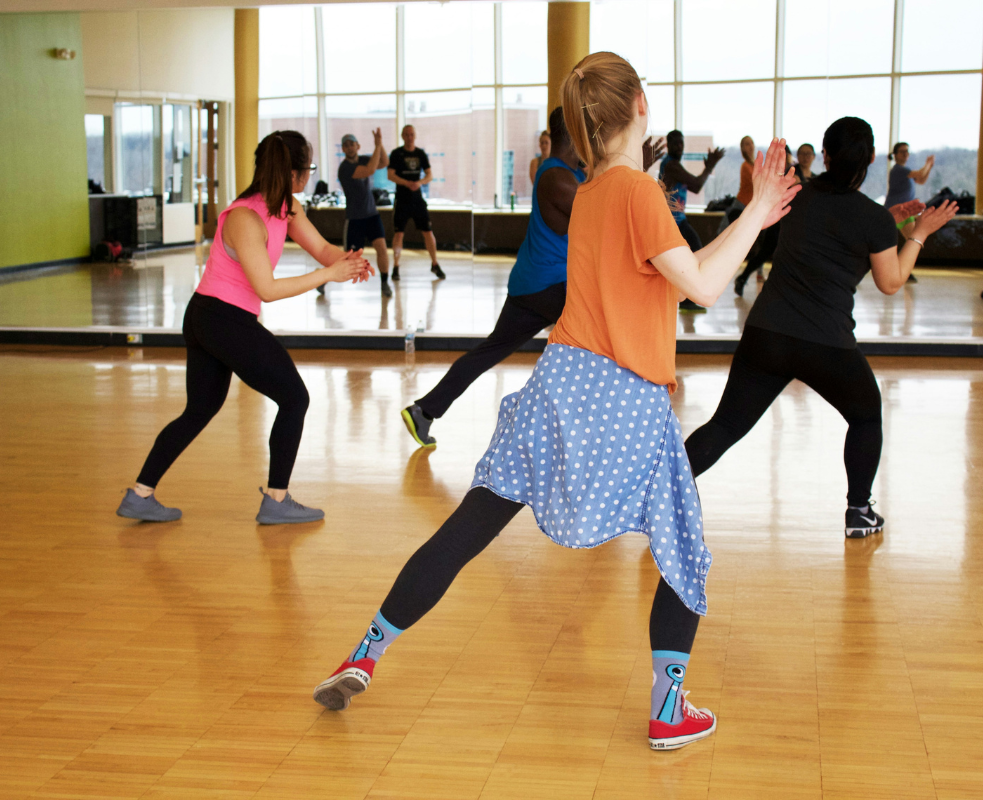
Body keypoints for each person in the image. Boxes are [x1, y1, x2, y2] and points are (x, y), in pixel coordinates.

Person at [313, 52, 798, 752]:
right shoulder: (637, 192)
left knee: (469, 527)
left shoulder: (595, 190)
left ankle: (365, 652)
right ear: (639, 106)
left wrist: (752, 215)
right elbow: (703, 288)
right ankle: (669, 708)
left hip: (558, 381)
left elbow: (682, 271)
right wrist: (755, 210)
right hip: (625, 395)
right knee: (683, 548)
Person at [684, 117, 957, 539]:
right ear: (870, 159)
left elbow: (828, 220)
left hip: (767, 333)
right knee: (866, 415)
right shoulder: (872, 219)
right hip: (825, 343)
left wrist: (887, 220)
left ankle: (661, 494)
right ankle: (859, 511)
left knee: (725, 425)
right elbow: (891, 282)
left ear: (824, 156)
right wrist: (918, 232)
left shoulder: (797, 195)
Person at [116, 131, 374, 524]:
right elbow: (267, 290)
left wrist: (348, 261)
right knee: (294, 399)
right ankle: (276, 499)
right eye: (307, 168)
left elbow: (323, 249)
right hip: (220, 319)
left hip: (213, 317)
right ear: (294, 173)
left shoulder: (287, 207)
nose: (308, 176)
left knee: (200, 409)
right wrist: (328, 275)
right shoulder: (244, 218)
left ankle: (140, 494)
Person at [399, 109, 591, 447]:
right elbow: (604, 215)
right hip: (549, 287)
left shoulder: (567, 172)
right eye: (588, 130)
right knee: (597, 344)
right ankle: (562, 432)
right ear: (575, 133)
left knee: (489, 352)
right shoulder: (557, 179)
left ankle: (424, 411)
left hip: (532, 284)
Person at [658, 130, 725, 313]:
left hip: (678, 219)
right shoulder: (671, 165)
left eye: (681, 143)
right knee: (695, 251)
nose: (679, 147)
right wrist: (709, 167)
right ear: (668, 145)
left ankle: (685, 296)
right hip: (673, 220)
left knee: (693, 253)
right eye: (675, 143)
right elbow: (696, 185)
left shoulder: (673, 164)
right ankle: (687, 298)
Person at [733, 144, 795, 295]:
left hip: (793, 222)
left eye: (784, 155)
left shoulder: (798, 172)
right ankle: (743, 277)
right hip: (775, 220)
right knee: (765, 252)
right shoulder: (774, 174)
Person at [387, 125, 446, 281]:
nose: (409, 137)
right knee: (399, 233)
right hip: (402, 199)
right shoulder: (396, 154)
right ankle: (396, 266)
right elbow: (390, 175)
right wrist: (406, 183)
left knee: (428, 232)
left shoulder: (420, 154)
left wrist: (419, 183)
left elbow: (429, 174)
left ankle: (435, 264)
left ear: (415, 136)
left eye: (411, 134)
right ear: (402, 136)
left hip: (417, 200)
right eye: (406, 134)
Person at [339, 130, 392, 297]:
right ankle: (324, 280)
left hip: (372, 215)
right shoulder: (345, 168)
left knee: (382, 248)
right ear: (343, 149)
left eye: (351, 144)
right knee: (348, 257)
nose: (349, 147)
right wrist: (376, 146)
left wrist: (380, 144)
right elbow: (370, 170)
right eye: (346, 145)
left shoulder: (363, 159)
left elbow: (383, 162)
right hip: (355, 219)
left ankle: (384, 282)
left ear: (358, 146)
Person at [885, 143, 935, 284]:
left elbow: (921, 180)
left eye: (907, 151)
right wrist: (927, 163)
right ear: (895, 155)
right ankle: (903, 270)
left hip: (905, 212)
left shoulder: (905, 171)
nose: (906, 154)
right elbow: (919, 174)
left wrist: (929, 167)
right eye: (902, 152)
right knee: (912, 240)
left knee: (912, 240)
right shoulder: (898, 170)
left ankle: (904, 270)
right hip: (897, 211)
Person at [717, 135, 755, 234]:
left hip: (748, 207)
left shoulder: (754, 165)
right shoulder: (745, 166)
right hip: (741, 205)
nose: (751, 146)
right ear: (743, 148)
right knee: (725, 234)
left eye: (752, 143)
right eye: (747, 144)